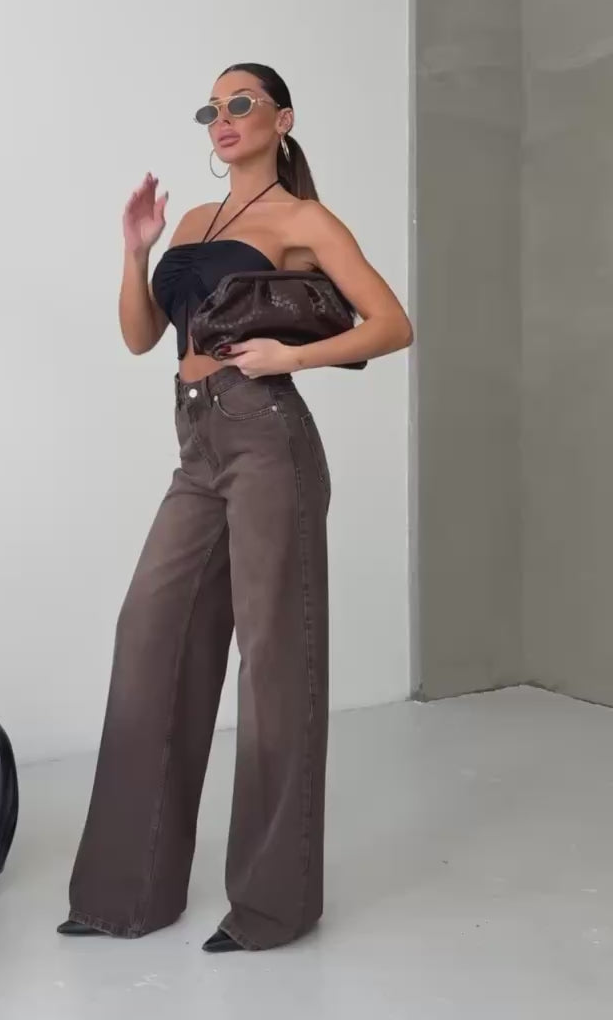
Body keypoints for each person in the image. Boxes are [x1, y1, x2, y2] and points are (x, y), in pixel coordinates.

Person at [58, 63, 413, 952]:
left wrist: (289, 359)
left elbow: (391, 323)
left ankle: (272, 906)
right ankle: (126, 894)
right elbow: (142, 338)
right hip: (196, 444)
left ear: (281, 119)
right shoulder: (189, 222)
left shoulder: (302, 220)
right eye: (211, 109)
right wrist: (136, 250)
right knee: (151, 633)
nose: (223, 119)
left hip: (265, 439)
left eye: (241, 103)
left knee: (274, 662)